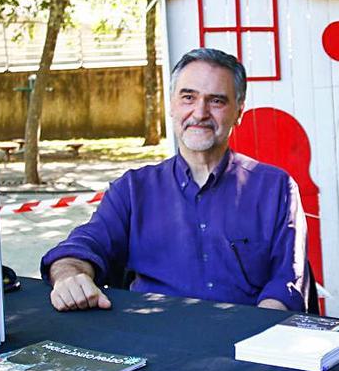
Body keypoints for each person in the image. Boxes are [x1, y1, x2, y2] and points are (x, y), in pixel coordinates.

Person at [41, 48, 309, 312]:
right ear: (172, 104)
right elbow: (84, 245)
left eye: (216, 101)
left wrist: (256, 341)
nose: (200, 112)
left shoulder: (276, 188)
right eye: (188, 97)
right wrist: (68, 275)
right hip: (153, 339)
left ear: (239, 111)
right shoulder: (133, 190)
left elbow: (287, 283)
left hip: (245, 342)